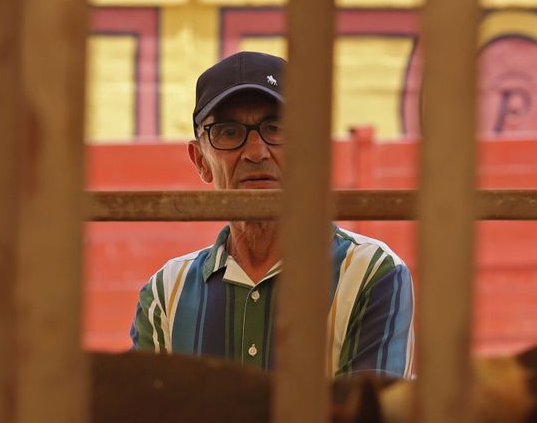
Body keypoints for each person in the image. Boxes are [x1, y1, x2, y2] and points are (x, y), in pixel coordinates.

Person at [129, 51, 413, 378]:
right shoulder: (166, 292)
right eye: (229, 132)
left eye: (276, 128)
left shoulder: (371, 274)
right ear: (201, 160)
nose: (255, 152)